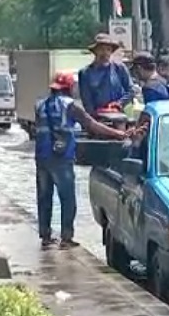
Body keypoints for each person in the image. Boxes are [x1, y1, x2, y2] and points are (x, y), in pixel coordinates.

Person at [35, 71, 137, 249]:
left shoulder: (40, 105)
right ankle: (66, 238)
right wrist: (118, 134)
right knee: (67, 199)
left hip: (42, 157)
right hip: (61, 159)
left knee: (44, 197)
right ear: (69, 88)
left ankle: (45, 236)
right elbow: (91, 125)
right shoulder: (70, 105)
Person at [78, 33, 134, 114]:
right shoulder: (85, 73)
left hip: (120, 114)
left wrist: (119, 104)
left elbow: (131, 91)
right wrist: (95, 116)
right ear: (95, 51)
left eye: (108, 49)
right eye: (101, 49)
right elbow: (87, 101)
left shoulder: (120, 68)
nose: (105, 53)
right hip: (98, 116)